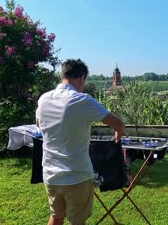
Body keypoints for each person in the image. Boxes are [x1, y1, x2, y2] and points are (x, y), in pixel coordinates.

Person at [36, 59, 125, 225]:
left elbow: (39, 125)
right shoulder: (81, 100)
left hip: (50, 174)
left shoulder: (43, 99)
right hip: (76, 175)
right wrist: (119, 133)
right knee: (77, 222)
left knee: (56, 217)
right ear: (81, 78)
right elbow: (118, 124)